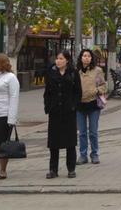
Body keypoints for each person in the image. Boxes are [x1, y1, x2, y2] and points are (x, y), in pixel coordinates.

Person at [44, 50, 81, 178]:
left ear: (67, 60)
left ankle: (71, 168)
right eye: (57, 58)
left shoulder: (73, 73)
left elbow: (78, 92)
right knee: (54, 142)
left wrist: (73, 105)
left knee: (70, 142)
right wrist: (48, 106)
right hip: (54, 111)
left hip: (68, 111)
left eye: (61, 58)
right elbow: (47, 92)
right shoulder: (51, 73)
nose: (58, 61)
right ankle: (53, 170)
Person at [75, 48, 106, 165]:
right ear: (81, 58)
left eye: (88, 56)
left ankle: (94, 154)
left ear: (92, 58)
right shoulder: (76, 71)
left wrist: (98, 90)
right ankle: (83, 155)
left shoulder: (98, 70)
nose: (86, 58)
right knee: (82, 132)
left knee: (93, 132)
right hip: (80, 105)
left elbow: (104, 85)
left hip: (94, 105)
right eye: (84, 56)